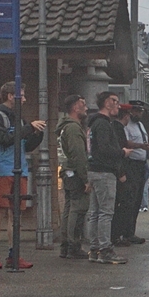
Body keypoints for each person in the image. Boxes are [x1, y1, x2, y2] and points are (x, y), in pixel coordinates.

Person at [0, 81, 45, 270]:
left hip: (20, 169)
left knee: (16, 214)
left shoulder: (19, 119)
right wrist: (28, 129)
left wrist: (37, 134)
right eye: (22, 95)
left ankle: (14, 254)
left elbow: (25, 145)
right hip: (2, 169)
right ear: (11, 96)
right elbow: (4, 139)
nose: (25, 99)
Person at [84, 91, 128, 264]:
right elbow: (104, 149)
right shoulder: (103, 125)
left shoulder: (93, 124)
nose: (118, 105)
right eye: (115, 101)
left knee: (94, 212)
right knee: (106, 212)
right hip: (104, 172)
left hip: (93, 170)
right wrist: (122, 152)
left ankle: (94, 249)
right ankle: (105, 249)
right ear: (106, 103)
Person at [56, 94, 91, 259]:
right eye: (83, 104)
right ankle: (73, 245)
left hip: (67, 171)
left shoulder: (64, 126)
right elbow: (79, 155)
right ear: (75, 107)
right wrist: (86, 179)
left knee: (69, 209)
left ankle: (65, 245)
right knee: (78, 209)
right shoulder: (73, 128)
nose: (86, 108)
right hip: (75, 173)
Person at [113, 103, 149, 247]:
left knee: (137, 200)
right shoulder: (124, 127)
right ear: (129, 112)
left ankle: (130, 231)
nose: (139, 114)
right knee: (129, 199)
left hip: (141, 165)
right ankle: (122, 232)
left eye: (141, 111)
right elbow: (124, 143)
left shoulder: (140, 125)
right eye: (137, 111)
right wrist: (140, 146)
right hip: (131, 164)